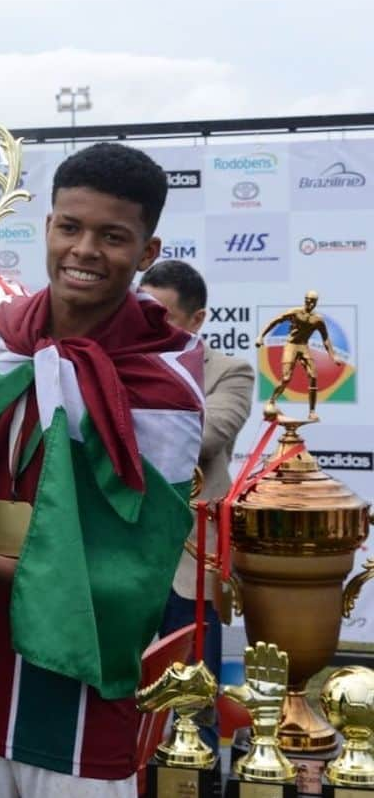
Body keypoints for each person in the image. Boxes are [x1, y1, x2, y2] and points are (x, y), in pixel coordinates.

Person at [0, 142, 206, 798]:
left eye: (113, 236)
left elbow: (134, 570)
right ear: (49, 225)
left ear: (146, 252)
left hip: (82, 701)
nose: (84, 249)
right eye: (70, 226)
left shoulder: (163, 380)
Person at [140, 259, 254, 749]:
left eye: (161, 315)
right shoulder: (110, 363)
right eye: (141, 311)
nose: (148, 325)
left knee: (193, 701)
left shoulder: (231, 372)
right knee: (119, 695)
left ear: (197, 320)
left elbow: (207, 437)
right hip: (122, 557)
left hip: (190, 561)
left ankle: (194, 780)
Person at [255, 290, 344, 420]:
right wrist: (261, 336)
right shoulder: (295, 312)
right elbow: (275, 321)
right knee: (286, 378)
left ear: (316, 303)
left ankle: (312, 411)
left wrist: (333, 355)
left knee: (313, 376)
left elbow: (325, 338)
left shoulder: (317, 320)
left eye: (313, 301)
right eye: (308, 300)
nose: (310, 303)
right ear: (305, 300)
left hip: (303, 346)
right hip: (291, 345)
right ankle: (271, 400)